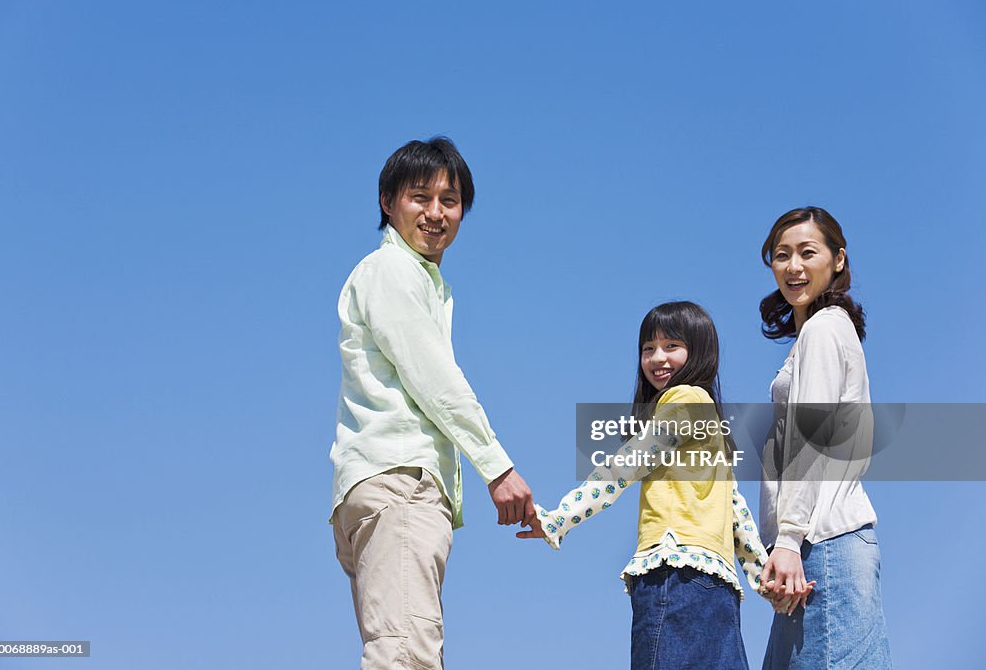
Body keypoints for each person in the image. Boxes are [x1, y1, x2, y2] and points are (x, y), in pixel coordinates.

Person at [330, 137, 535, 669]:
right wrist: (497, 466)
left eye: (450, 200)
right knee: (407, 654)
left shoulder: (424, 282)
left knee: (402, 645)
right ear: (387, 201)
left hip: (385, 484)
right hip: (399, 482)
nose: (435, 212)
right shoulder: (390, 272)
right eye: (420, 196)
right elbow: (433, 378)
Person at [518, 301, 796, 669]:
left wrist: (559, 519)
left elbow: (623, 468)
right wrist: (765, 579)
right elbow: (736, 515)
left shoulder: (684, 399)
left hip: (675, 575)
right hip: (718, 588)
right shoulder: (709, 418)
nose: (656, 358)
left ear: (699, 351)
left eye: (671, 346)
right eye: (648, 349)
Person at [758, 206, 892, 668]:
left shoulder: (823, 328)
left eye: (807, 252)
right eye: (781, 255)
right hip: (817, 548)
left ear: (837, 259)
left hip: (824, 544)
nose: (793, 266)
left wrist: (789, 541)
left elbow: (808, 439)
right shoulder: (821, 334)